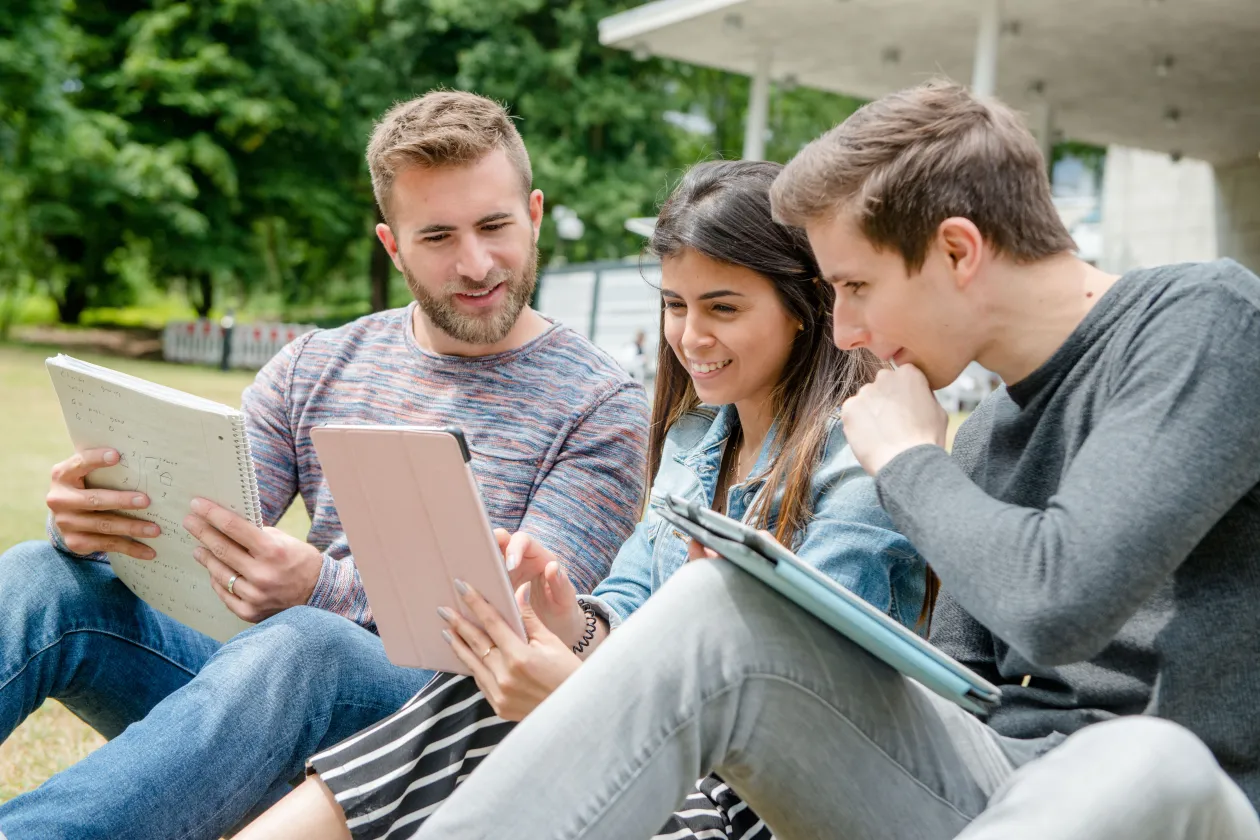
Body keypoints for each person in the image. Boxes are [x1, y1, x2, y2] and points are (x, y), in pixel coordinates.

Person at [400, 80, 1260, 840]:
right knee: (717, 605)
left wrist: (913, 462)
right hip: (992, 790)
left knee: (1146, 757)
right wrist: (782, 617)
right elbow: (957, 686)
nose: (843, 333)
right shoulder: (994, 429)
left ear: (958, 251)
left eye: (854, 287)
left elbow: (1061, 607)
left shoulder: (1205, 320)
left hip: (1193, 803)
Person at [0, 91, 649, 840]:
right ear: (392, 245)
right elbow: (197, 519)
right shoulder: (319, 363)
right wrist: (91, 516)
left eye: (495, 226)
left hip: (429, 741)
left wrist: (321, 587)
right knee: (40, 576)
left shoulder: (600, 402)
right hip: (251, 710)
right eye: (438, 236)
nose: (476, 264)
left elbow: (527, 631)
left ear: (534, 215)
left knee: (310, 642)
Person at [235, 159, 930, 840]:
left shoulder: (857, 463)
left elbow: (787, 717)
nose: (691, 337)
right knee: (486, 687)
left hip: (763, 804)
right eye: (675, 305)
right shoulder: (696, 440)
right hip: (679, 759)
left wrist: (578, 699)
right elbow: (626, 599)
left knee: (502, 719)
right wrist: (567, 619)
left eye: (723, 307)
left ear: (805, 305)